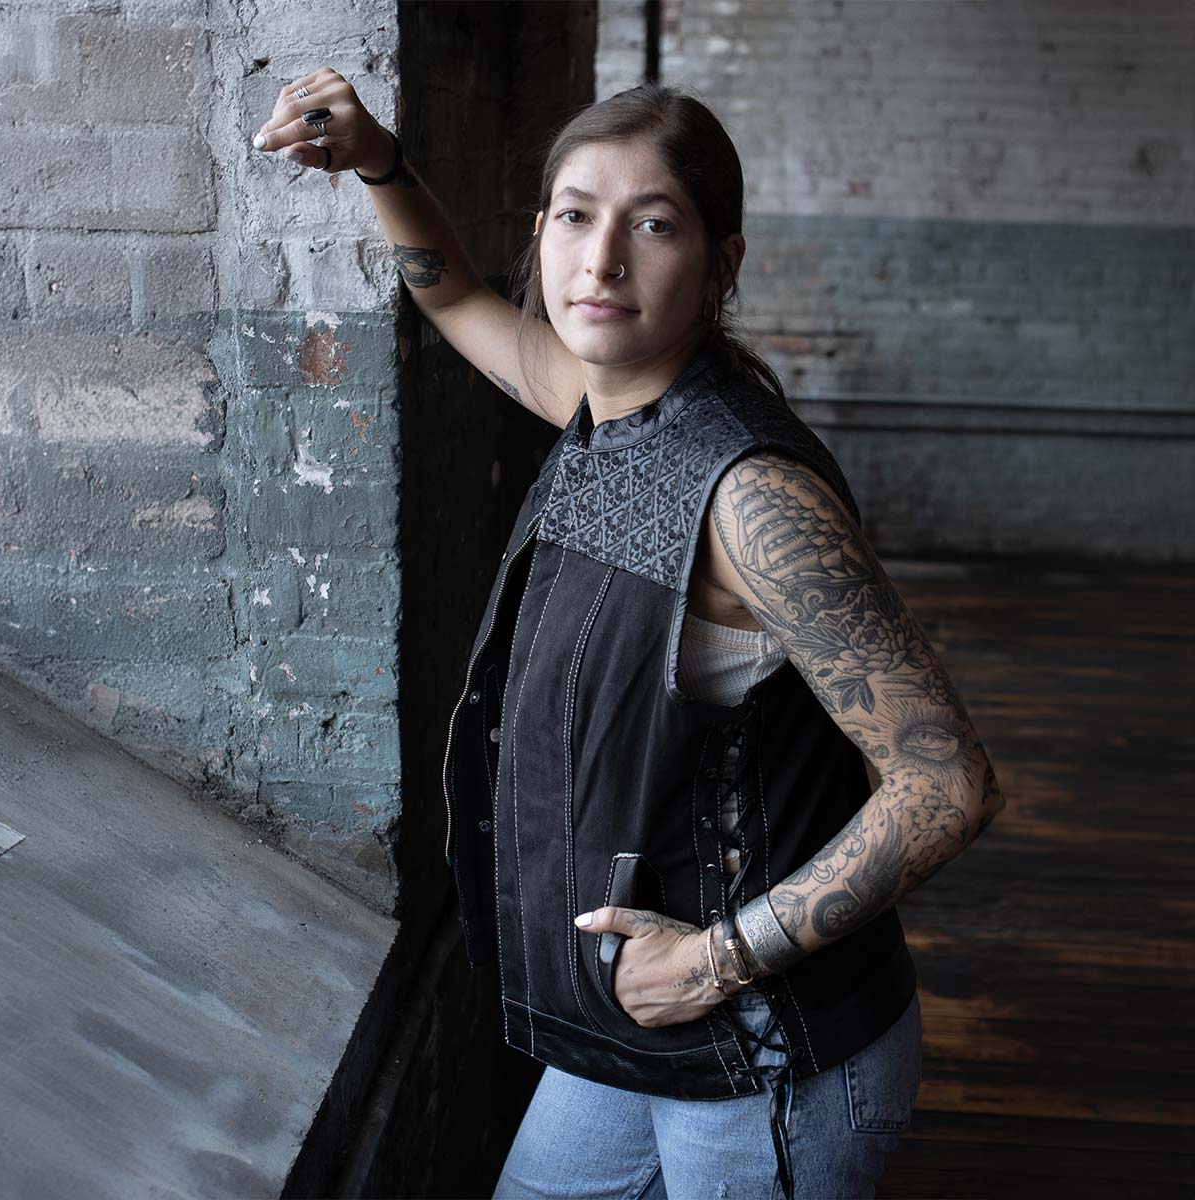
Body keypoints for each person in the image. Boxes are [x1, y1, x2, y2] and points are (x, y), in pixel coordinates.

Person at [252, 72, 1006, 1200]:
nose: (600, 260)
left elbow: (947, 786)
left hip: (765, 1056)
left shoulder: (754, 499)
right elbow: (454, 296)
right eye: (575, 215)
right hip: (628, 1026)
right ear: (542, 233)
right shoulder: (596, 400)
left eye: (652, 225)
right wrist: (381, 164)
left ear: (721, 264)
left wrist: (712, 961)